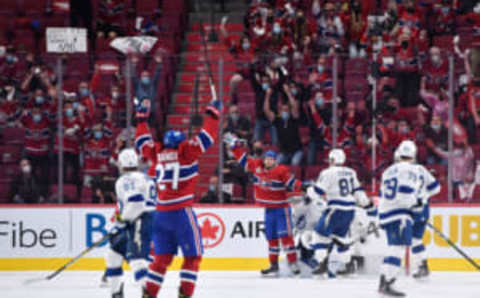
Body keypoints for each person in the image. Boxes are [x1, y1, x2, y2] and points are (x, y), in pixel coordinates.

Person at [136, 97, 220, 298]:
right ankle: (184, 294)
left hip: (160, 214)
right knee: (193, 258)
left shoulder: (157, 154)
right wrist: (212, 114)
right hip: (181, 213)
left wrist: (141, 120)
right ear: (180, 143)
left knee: (161, 259)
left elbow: (142, 143)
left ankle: (149, 294)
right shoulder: (186, 153)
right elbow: (207, 137)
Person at [228, 135, 304, 277]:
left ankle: (293, 263)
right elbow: (243, 160)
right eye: (267, 158)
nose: (269, 161)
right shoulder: (257, 166)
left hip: (282, 209)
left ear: (276, 161)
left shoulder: (281, 171)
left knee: (286, 237)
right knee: (271, 238)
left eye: (272, 159)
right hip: (269, 210)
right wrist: (235, 147)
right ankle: (273, 265)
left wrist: (303, 187)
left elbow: (292, 183)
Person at [377, 140, 439, 296]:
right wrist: (418, 202)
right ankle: (387, 283)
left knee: (395, 248)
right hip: (401, 213)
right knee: (398, 249)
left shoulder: (388, 170)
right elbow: (405, 193)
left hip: (387, 213)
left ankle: (384, 281)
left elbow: (382, 194)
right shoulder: (413, 170)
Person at [308, 149, 375, 276]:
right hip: (349, 210)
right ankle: (349, 265)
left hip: (335, 209)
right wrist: (368, 205)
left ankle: (322, 264)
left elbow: (317, 191)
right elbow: (358, 192)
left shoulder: (327, 172)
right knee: (341, 239)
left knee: (319, 235)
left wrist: (309, 192)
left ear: (333, 159)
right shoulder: (351, 172)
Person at [106, 149, 156, 298]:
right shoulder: (145, 177)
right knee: (113, 253)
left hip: (140, 221)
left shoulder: (125, 180)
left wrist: (121, 222)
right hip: (141, 219)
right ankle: (116, 293)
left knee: (137, 261)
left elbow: (136, 202)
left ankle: (149, 293)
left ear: (121, 163)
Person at [264, 85, 303, 165]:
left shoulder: (293, 118)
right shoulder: (277, 120)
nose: (285, 112)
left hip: (296, 151)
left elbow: (294, 106)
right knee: (276, 164)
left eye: (286, 110)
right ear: (280, 112)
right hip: (284, 152)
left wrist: (288, 92)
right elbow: (266, 110)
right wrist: (267, 96)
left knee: (295, 163)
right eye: (283, 110)